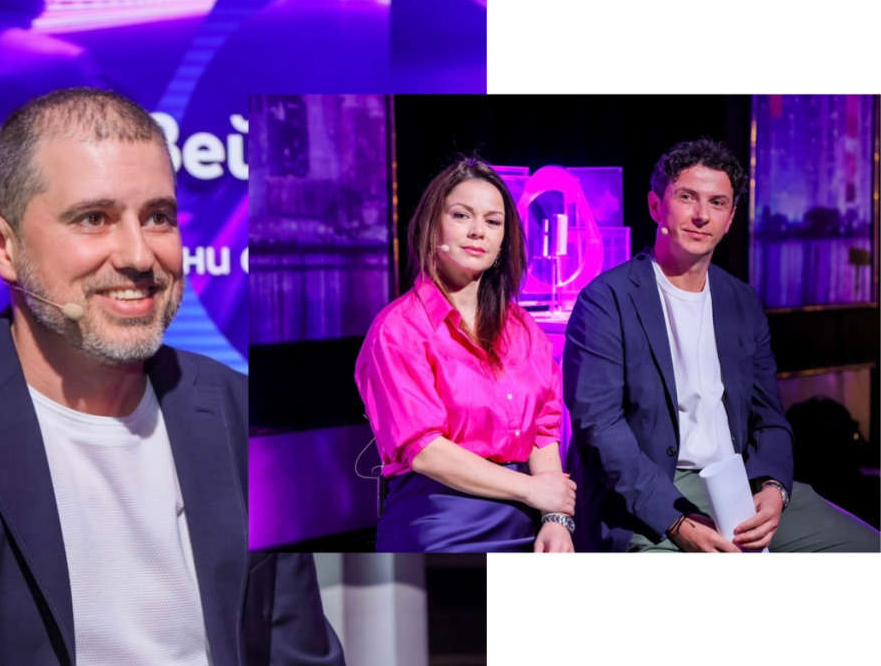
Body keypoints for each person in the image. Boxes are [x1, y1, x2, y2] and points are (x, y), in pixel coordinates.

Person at [0, 88, 344, 665]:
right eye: (94, 219)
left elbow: (296, 651)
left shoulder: (244, 416)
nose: (138, 256)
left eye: (158, 218)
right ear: (1, 244)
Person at [562, 139, 880, 553]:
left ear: (730, 218)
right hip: (650, 488)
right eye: (687, 197)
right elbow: (600, 429)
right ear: (656, 205)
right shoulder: (606, 299)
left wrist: (774, 487)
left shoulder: (740, 300)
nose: (701, 215)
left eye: (717, 203)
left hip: (738, 483)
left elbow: (769, 416)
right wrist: (676, 520)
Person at [355, 156, 576, 553]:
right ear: (432, 226)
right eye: (461, 215)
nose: (478, 231)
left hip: (528, 517)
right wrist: (531, 490)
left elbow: (544, 429)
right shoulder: (398, 329)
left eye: (493, 221)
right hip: (441, 522)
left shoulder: (523, 328)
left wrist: (555, 519)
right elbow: (425, 451)